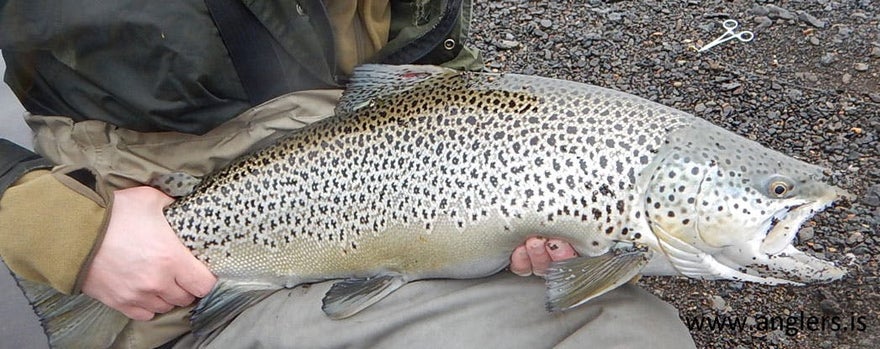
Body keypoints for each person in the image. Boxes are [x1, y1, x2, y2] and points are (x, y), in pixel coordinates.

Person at [0, 1, 696, 348]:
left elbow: (430, 75)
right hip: (158, 266)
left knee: (624, 331)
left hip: (368, 212)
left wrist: (510, 202)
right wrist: (71, 231)